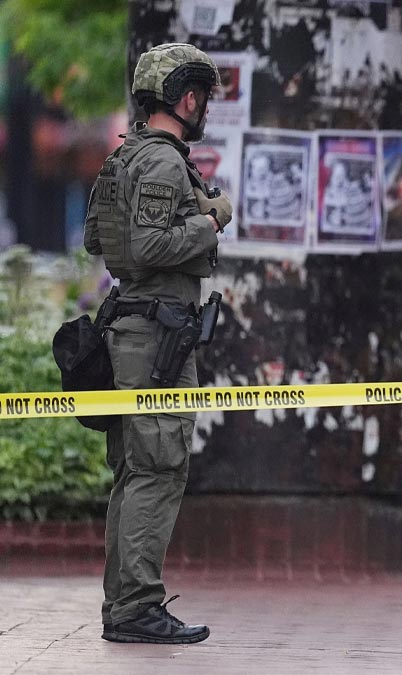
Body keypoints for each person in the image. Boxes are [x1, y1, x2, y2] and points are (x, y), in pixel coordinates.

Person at [83, 42, 233, 644]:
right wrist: (210, 220)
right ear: (186, 98)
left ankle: (124, 605)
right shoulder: (166, 163)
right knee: (159, 468)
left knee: (135, 471)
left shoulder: (124, 157)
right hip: (156, 340)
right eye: (203, 98)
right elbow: (149, 247)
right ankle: (136, 607)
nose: (206, 109)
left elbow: (97, 240)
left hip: (131, 329)